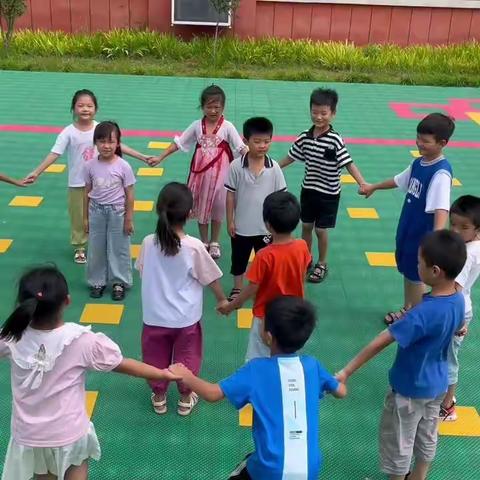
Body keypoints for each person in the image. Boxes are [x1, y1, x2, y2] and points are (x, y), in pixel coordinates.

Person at [0, 265, 180, 480]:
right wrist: (162, 374)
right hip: (69, 433)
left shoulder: (11, 336)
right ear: (67, 301)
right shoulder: (81, 340)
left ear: (23, 304)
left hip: (30, 436)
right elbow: (124, 364)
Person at [336, 230, 466, 480]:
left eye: (420, 262)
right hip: (437, 385)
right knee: (427, 434)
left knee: (398, 440)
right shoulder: (458, 300)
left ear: (435, 271)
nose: (417, 265)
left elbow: (380, 342)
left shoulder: (422, 315)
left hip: (409, 388)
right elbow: (460, 325)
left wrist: (346, 371)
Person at [170, 296, 347, 480]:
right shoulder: (313, 366)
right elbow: (341, 392)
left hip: (268, 470)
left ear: (269, 337)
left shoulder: (256, 369)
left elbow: (212, 393)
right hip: (310, 470)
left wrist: (186, 375)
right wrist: (340, 380)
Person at [25, 89, 149, 264]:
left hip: (102, 182)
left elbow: (119, 145)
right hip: (78, 183)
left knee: (103, 213)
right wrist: (37, 172)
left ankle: (104, 243)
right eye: (81, 105)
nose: (85, 109)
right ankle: (80, 246)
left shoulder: (100, 129)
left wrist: (142, 157)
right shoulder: (68, 132)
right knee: (79, 215)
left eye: (89, 106)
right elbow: (55, 153)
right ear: (73, 109)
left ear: (96, 109)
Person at [135, 182, 227, 416]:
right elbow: (210, 278)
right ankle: (186, 397)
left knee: (154, 357)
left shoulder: (148, 243)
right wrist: (221, 300)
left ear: (159, 210)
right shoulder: (193, 246)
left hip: (154, 316)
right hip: (186, 318)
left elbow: (142, 270)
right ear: (189, 214)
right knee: (187, 356)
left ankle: (159, 395)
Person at [360, 113, 455, 325]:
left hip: (422, 238)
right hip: (408, 231)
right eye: (418, 138)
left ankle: (416, 321)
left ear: (442, 143)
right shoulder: (419, 163)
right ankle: (409, 309)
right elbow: (398, 180)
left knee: (417, 277)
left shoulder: (440, 173)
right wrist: (373, 187)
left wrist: (435, 243)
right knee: (409, 273)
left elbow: (441, 210)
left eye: (425, 141)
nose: (419, 143)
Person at [148, 85, 247, 259]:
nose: (213, 110)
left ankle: (214, 241)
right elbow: (179, 143)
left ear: (223, 107)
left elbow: (240, 147)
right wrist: (160, 157)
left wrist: (255, 157)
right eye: (209, 106)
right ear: (202, 107)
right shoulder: (196, 126)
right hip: (200, 176)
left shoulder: (228, 127)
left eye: (217, 107)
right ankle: (204, 241)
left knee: (217, 207)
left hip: (221, 177)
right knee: (201, 207)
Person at [279, 88, 366, 284]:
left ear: (333, 114)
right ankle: (305, 258)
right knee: (306, 226)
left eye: (323, 113)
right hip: (309, 189)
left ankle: (322, 262)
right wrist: (272, 167)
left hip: (329, 193)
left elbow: (348, 163)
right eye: (314, 112)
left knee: (320, 229)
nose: (318, 117)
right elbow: (291, 157)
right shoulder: (305, 137)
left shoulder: (335, 140)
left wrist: (362, 183)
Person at [219, 191, 311, 361]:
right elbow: (302, 274)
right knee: (285, 356)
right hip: (293, 314)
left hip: (266, 317)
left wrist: (232, 306)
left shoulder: (264, 255)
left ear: (268, 225)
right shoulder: (302, 246)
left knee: (257, 359)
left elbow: (252, 288)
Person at [225, 117, 286, 301]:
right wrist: (230, 221)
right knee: (239, 259)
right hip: (242, 226)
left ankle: (263, 287)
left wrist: (277, 226)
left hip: (266, 228)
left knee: (266, 259)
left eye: (266, 141)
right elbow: (230, 195)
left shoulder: (274, 167)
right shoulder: (236, 165)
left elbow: (280, 198)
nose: (262, 146)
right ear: (245, 141)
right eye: (257, 141)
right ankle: (237, 288)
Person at [84, 121, 135, 301]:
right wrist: (85, 218)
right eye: (102, 141)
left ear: (118, 143)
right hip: (96, 211)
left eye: (111, 142)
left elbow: (130, 194)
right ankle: (97, 281)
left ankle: (119, 282)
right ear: (95, 142)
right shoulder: (89, 166)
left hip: (117, 213)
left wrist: (129, 218)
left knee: (119, 247)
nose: (106, 146)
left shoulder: (123, 166)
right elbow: (87, 192)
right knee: (96, 247)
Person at [440, 195, 480, 421]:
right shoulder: (472, 244)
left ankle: (447, 405)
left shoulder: (469, 253)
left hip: (455, 310)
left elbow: (454, 288)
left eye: (463, 227)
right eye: (452, 224)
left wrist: (459, 322)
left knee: (449, 358)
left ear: (477, 229)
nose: (455, 231)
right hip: (460, 307)